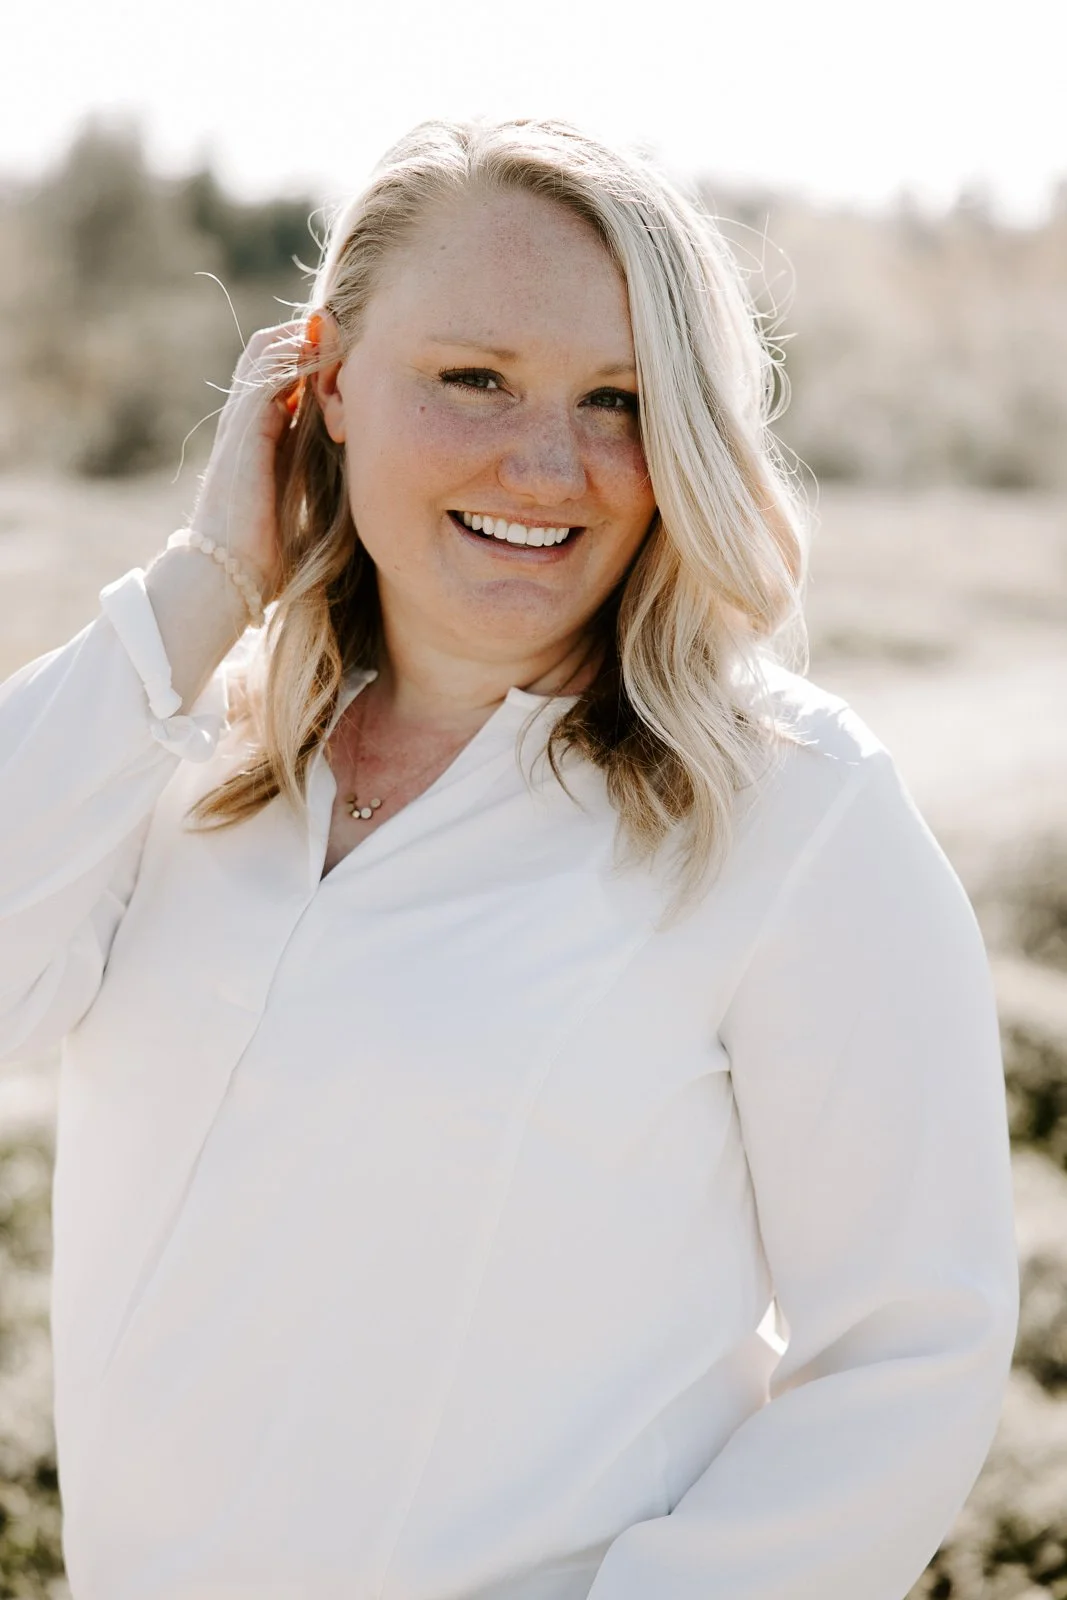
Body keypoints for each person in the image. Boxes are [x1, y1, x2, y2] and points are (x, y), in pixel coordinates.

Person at [0, 118, 1017, 1600]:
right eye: (471, 377)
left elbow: (909, 1354)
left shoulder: (794, 811)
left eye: (619, 400)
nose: (547, 465)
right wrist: (207, 580)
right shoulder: (172, 748)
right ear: (323, 384)